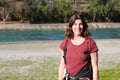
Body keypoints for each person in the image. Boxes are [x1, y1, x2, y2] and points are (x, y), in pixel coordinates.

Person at [58, 12, 99, 80]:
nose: (78, 27)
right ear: (71, 26)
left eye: (80, 24)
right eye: (75, 24)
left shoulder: (90, 43)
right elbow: (62, 66)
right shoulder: (65, 43)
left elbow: (95, 68)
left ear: (84, 26)